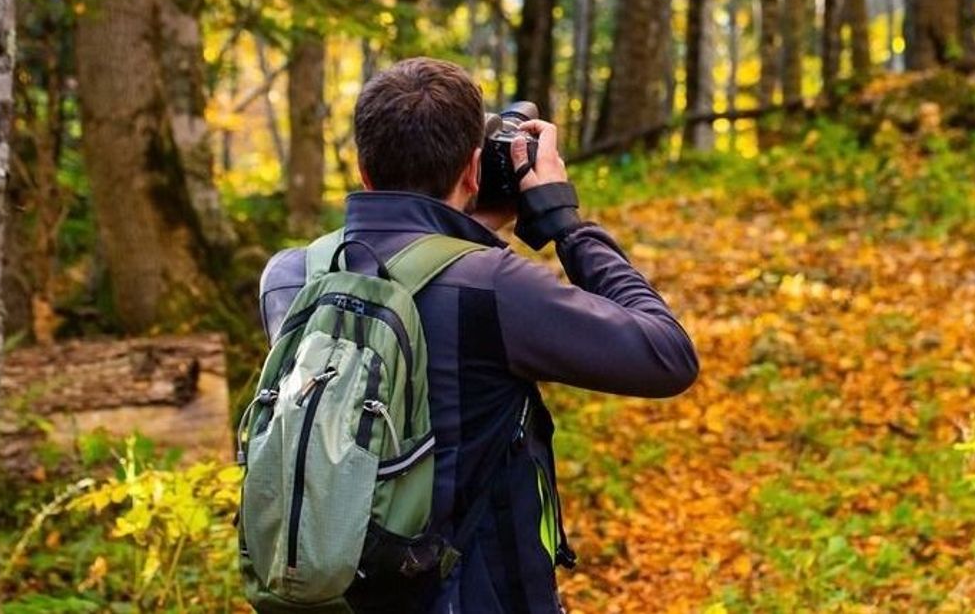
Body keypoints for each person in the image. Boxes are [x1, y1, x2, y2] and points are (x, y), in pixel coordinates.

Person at [258, 57, 698, 613]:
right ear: (473, 168)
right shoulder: (492, 287)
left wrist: (468, 222)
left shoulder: (290, 275)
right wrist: (565, 222)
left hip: (339, 592)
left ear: (365, 171)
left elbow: (413, 274)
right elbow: (667, 355)